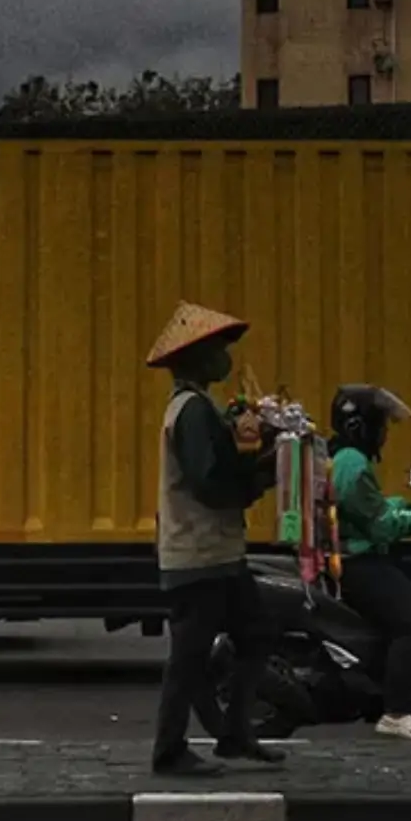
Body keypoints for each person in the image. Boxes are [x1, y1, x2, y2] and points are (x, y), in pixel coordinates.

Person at [145, 301, 282, 777]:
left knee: (256, 634)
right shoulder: (193, 412)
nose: (228, 358)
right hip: (198, 555)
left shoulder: (200, 408)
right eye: (220, 349)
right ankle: (169, 750)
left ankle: (235, 733)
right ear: (198, 357)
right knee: (188, 656)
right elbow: (210, 482)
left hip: (218, 553)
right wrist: (258, 478)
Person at [327, 383, 411, 742]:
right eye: (380, 425)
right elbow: (380, 527)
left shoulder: (347, 458)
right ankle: (396, 711)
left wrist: (410, 507)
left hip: (353, 554)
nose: (384, 434)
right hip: (359, 561)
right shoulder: (354, 463)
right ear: (360, 427)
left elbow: (374, 508)